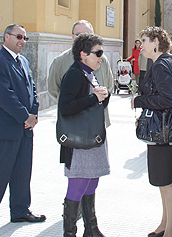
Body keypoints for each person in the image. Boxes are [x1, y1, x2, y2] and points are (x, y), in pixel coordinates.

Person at [0, 24, 45, 231]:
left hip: (25, 129)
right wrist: (24, 116)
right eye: (19, 37)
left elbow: (32, 88)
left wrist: (33, 114)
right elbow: (4, 95)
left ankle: (20, 210)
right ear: (6, 37)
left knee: (23, 172)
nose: (22, 41)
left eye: (25, 38)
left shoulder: (23, 61)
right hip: (5, 129)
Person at [131, 26, 172, 237]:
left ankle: (170, 232)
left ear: (155, 41)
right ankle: (164, 225)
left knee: (168, 183)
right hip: (163, 131)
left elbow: (167, 99)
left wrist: (139, 100)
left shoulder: (161, 65)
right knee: (163, 182)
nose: (140, 46)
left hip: (164, 132)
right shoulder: (163, 62)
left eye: (143, 41)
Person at [59, 33, 110, 237]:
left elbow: (93, 103)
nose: (101, 57)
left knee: (92, 180)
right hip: (79, 141)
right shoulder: (74, 74)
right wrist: (93, 99)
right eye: (98, 53)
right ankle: (69, 232)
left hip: (92, 137)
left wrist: (102, 98)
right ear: (83, 54)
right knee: (78, 183)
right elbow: (65, 107)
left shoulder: (88, 72)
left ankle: (91, 228)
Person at [48, 20, 114, 127]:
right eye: (79, 35)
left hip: (98, 119)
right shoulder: (60, 61)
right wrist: (75, 104)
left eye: (87, 35)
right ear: (72, 36)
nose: (83, 38)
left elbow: (109, 85)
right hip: (74, 123)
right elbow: (53, 89)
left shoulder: (102, 59)